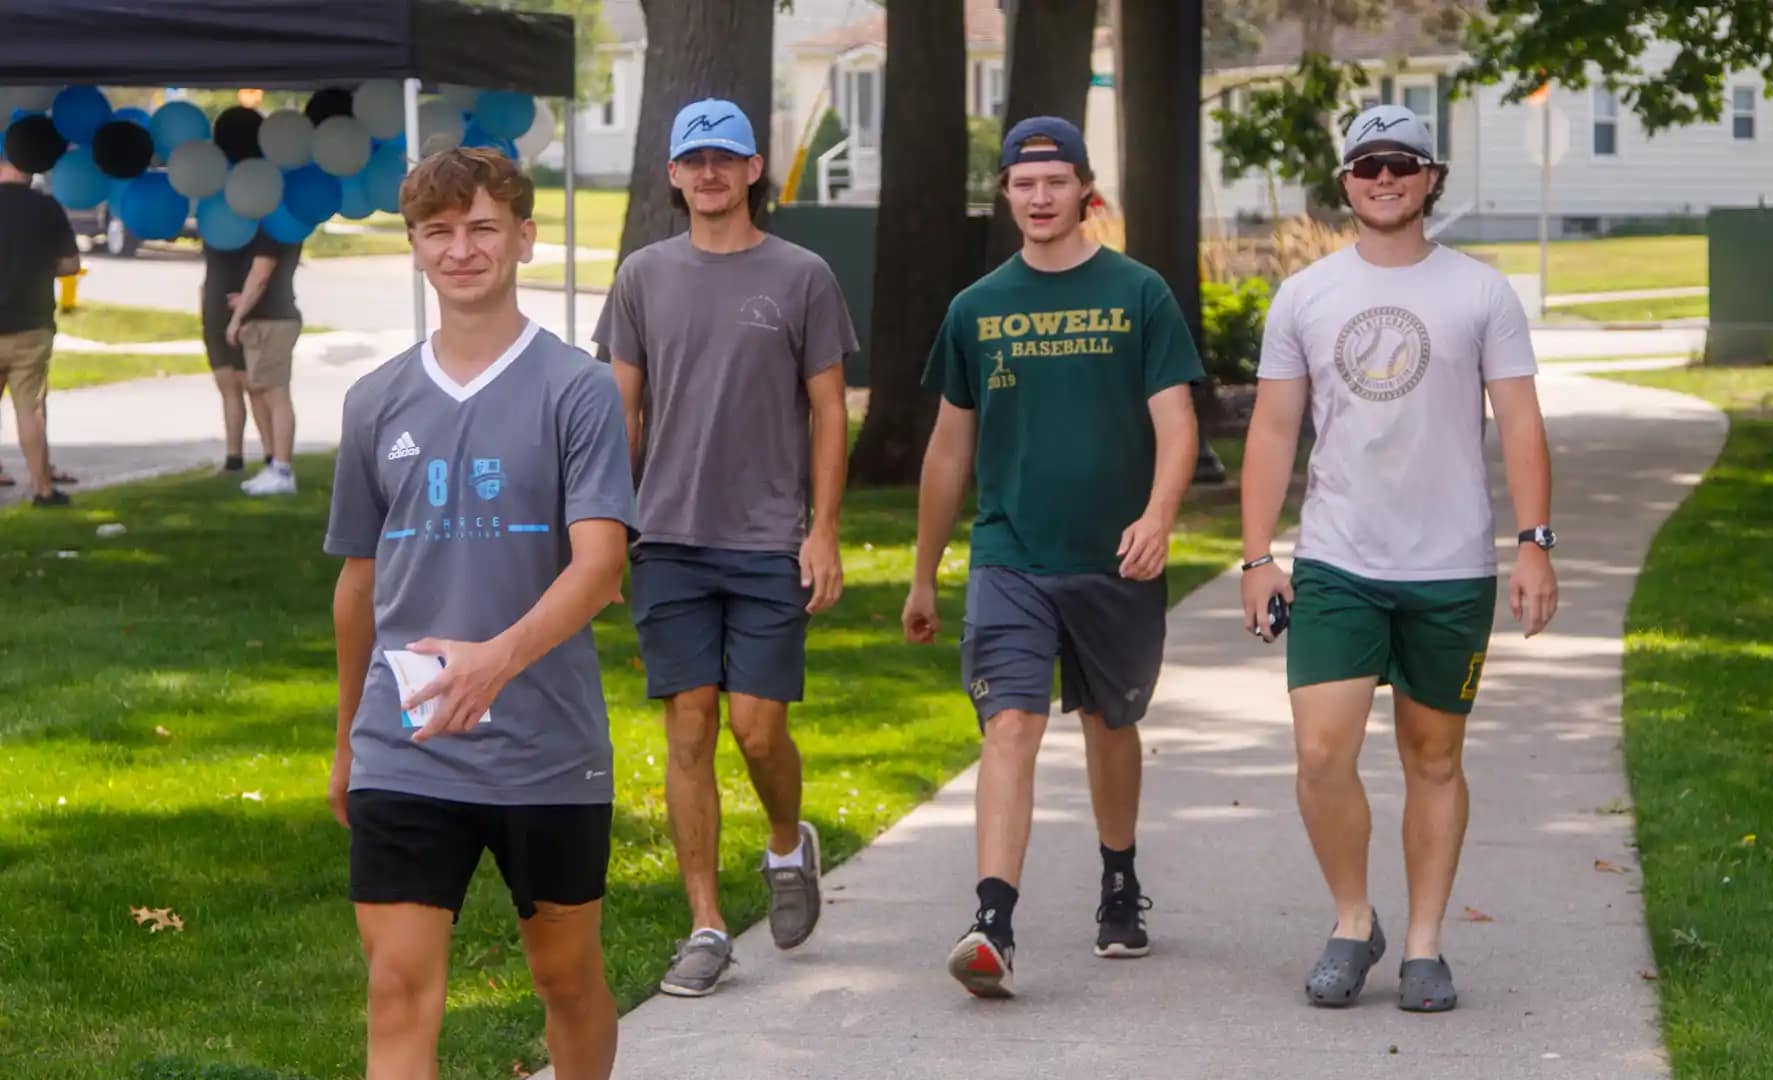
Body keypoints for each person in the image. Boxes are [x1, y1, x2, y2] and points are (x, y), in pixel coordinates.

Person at [324, 148, 637, 1078]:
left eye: (482, 228)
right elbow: (357, 583)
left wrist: (495, 661)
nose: (461, 250)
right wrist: (349, 736)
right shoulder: (375, 401)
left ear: (524, 237)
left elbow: (602, 565)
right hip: (405, 742)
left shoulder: (576, 389)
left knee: (566, 977)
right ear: (416, 248)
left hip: (547, 747)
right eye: (439, 232)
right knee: (397, 985)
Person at [1238, 104, 1558, 1014]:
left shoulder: (1481, 293)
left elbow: (1523, 423)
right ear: (1345, 181)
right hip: (1339, 559)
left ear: (1431, 179)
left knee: (1434, 758)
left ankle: (1424, 945)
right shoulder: (1305, 296)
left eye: (1403, 165)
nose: (1386, 178)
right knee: (1319, 753)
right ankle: (1351, 920)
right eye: (1369, 165)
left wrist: (1535, 543)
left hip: (1451, 565)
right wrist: (1258, 557)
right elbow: (1272, 428)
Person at [904, 116, 1204, 998]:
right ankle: (992, 919)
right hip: (1010, 557)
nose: (1039, 198)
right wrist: (925, 573)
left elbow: (1177, 424)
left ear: (1084, 190)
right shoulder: (975, 308)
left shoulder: (1139, 292)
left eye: (1055, 183)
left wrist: (1158, 516)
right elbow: (949, 451)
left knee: (1111, 724)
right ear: (1005, 194)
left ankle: (1120, 878)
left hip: (1117, 558)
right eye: (1022, 185)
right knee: (1012, 725)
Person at [592, 98, 857, 998]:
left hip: (768, 539)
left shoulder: (803, 275)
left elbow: (828, 408)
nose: (709, 174)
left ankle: (787, 845)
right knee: (691, 723)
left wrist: (822, 530)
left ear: (752, 172)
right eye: (693, 160)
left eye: (726, 159)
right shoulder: (641, 276)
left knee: (758, 726)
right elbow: (619, 408)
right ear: (672, 175)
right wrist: (602, 523)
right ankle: (706, 924)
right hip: (665, 535)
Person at [0, 147, 80, 507]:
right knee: (29, 409)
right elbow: (70, 265)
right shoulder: (47, 208)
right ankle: (42, 488)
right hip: (31, 323)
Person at [202, 222, 303, 494]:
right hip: (264, 320)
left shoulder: (275, 228)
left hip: (274, 320)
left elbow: (261, 274)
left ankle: (282, 469)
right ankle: (274, 466)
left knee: (275, 394)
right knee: (260, 391)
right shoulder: (278, 225)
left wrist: (236, 318)